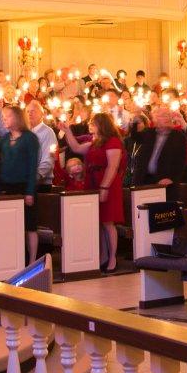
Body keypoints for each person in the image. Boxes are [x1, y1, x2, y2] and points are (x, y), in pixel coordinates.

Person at [63, 113, 125, 271]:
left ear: (102, 124)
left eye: (93, 123)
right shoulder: (93, 141)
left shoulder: (113, 141)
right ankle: (103, 255)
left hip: (107, 182)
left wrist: (104, 187)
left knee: (108, 221)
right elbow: (76, 148)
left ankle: (113, 258)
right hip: (92, 181)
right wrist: (67, 130)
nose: (90, 125)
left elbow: (113, 166)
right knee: (98, 221)